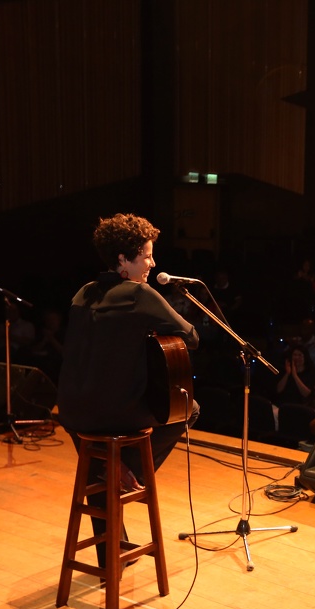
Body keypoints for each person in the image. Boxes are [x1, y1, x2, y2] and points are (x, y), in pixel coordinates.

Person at [57, 213, 200, 569]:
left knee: (97, 463)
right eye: (146, 255)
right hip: (112, 412)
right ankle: (127, 471)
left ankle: (111, 551)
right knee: (189, 408)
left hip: (71, 412)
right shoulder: (139, 294)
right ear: (123, 259)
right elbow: (191, 337)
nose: (152, 263)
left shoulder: (82, 292)